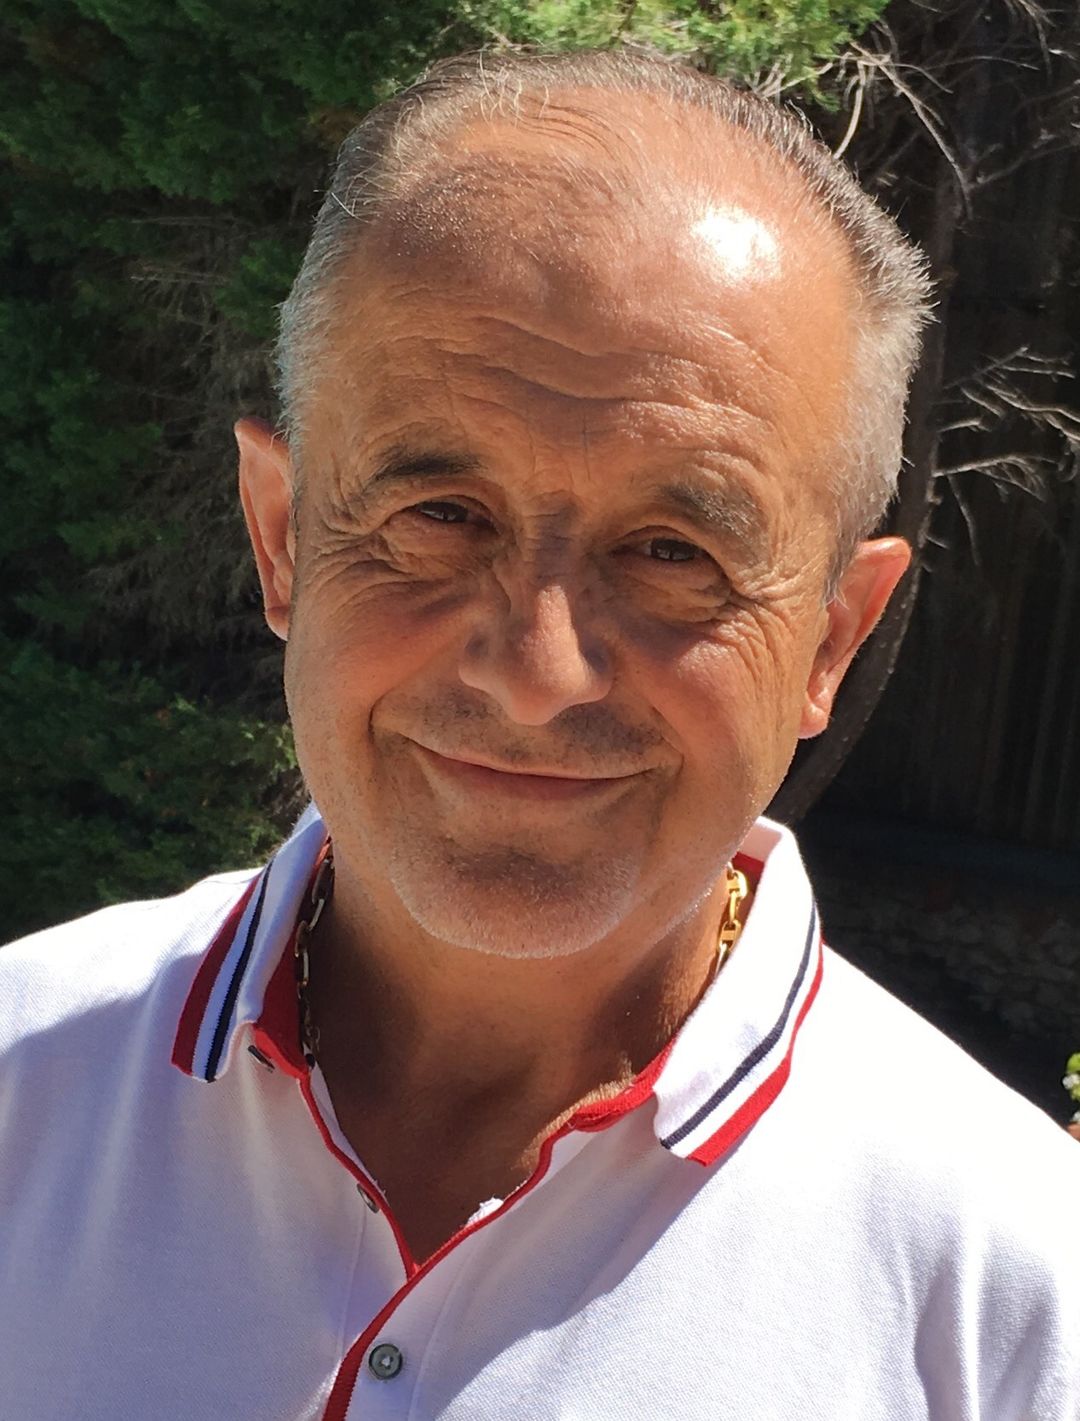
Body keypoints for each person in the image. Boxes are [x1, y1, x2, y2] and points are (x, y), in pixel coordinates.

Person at [1, 47, 1077, 1421]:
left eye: (674, 551)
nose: (536, 672)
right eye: (441, 517)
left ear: (831, 638)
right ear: (281, 539)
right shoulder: (19, 1082)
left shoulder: (1019, 1311)